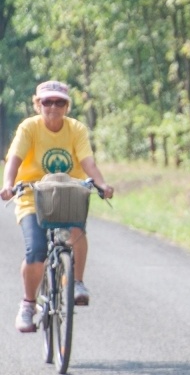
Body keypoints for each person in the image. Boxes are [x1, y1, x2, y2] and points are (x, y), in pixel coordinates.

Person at [0, 80, 114, 333]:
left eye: (59, 102)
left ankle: (77, 282)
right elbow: (14, 160)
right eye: (47, 102)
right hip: (33, 196)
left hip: (67, 193)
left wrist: (102, 184)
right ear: (37, 104)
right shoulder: (29, 128)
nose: (53, 107)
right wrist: (8, 184)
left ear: (67, 106)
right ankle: (28, 304)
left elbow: (88, 163)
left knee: (77, 231)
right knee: (36, 251)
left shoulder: (76, 129)